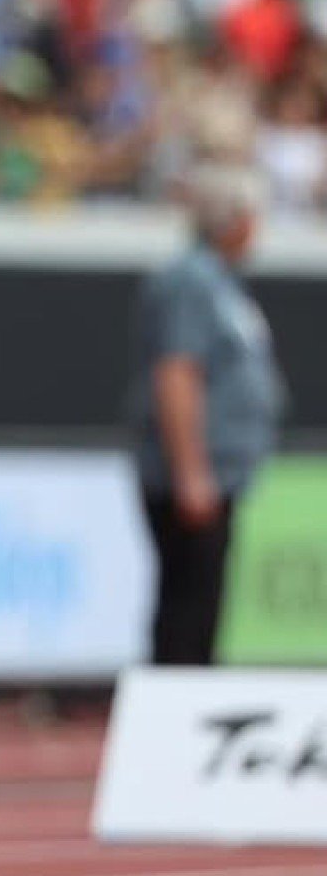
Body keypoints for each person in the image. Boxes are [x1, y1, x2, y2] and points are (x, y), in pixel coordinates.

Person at [128, 165, 287, 666]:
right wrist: (191, 472)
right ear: (235, 221)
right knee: (187, 607)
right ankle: (175, 717)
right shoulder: (191, 281)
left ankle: (185, 704)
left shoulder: (219, 282)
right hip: (194, 476)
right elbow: (178, 374)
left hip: (216, 473)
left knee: (202, 605)